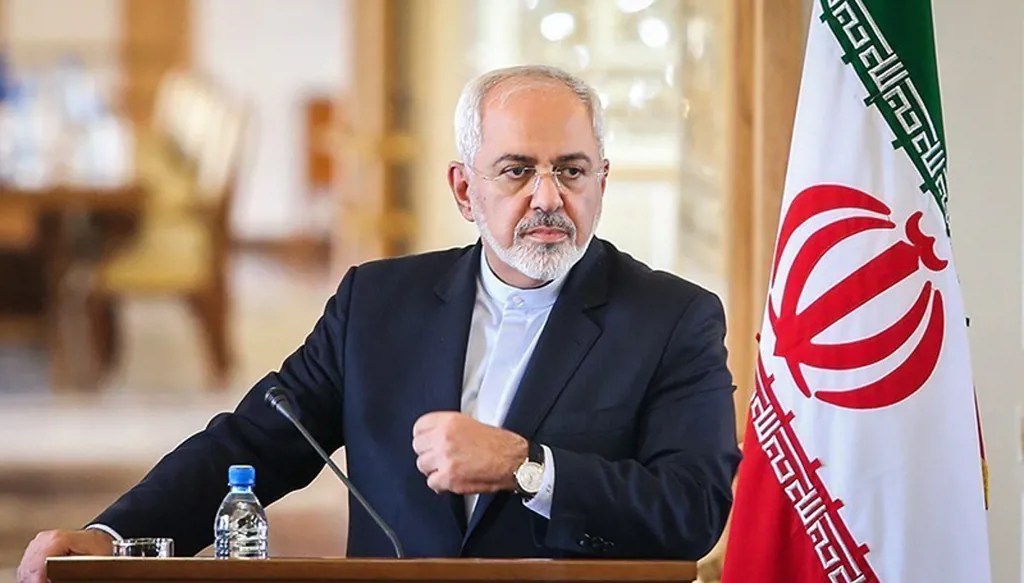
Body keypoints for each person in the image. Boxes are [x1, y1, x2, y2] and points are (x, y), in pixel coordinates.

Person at [17, 64, 741, 581]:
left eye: (573, 171)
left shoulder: (674, 318)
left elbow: (692, 512)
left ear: (602, 181)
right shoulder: (378, 301)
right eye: (517, 170)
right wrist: (112, 534)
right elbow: (257, 441)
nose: (549, 198)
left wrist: (528, 468)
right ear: (465, 189)